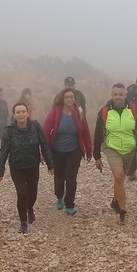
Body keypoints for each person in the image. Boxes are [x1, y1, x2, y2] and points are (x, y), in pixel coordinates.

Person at [93, 83, 137, 224]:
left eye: (120, 94)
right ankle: (122, 209)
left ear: (125, 95)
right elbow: (97, 134)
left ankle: (115, 201)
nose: (118, 97)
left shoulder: (134, 110)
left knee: (120, 178)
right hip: (111, 148)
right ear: (111, 95)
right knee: (119, 176)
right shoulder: (104, 111)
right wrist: (97, 156)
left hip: (130, 149)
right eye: (115, 94)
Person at [0, 102, 53, 234]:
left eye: (23, 111)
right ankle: (23, 221)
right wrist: (0, 172)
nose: (21, 114)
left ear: (27, 113)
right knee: (22, 194)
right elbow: (3, 151)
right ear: (14, 115)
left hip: (33, 165)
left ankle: (30, 208)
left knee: (33, 193)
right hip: (17, 167)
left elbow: (44, 144)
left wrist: (50, 164)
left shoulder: (35, 126)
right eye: (18, 112)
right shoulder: (9, 130)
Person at [43, 88, 92, 216]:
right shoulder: (55, 112)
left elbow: (85, 132)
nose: (69, 99)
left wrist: (89, 150)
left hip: (74, 151)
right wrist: (43, 152)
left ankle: (69, 204)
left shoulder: (79, 112)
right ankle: (59, 196)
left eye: (71, 97)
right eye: (67, 97)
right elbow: (46, 132)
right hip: (57, 151)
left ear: (74, 99)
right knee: (59, 177)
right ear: (62, 99)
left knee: (71, 179)